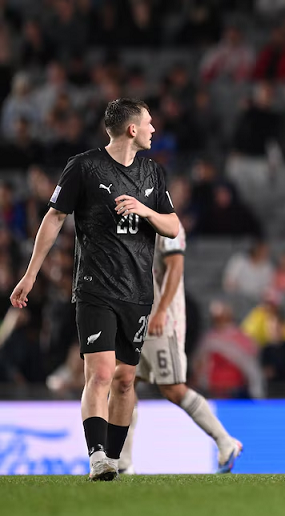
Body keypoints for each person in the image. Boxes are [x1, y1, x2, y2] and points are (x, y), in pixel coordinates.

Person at [10, 98, 179, 481]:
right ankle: (97, 455)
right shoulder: (84, 167)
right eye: (149, 123)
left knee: (123, 381)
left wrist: (145, 210)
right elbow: (54, 218)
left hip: (138, 291)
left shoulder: (154, 174)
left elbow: (172, 226)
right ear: (132, 129)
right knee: (101, 373)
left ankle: (114, 463)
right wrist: (31, 274)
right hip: (95, 286)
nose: (154, 129)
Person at [119, 223, 243, 474]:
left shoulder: (167, 219)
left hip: (161, 322)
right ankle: (123, 462)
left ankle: (225, 441)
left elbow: (175, 267)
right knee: (125, 383)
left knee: (173, 389)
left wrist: (162, 310)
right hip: (133, 317)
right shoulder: (128, 209)